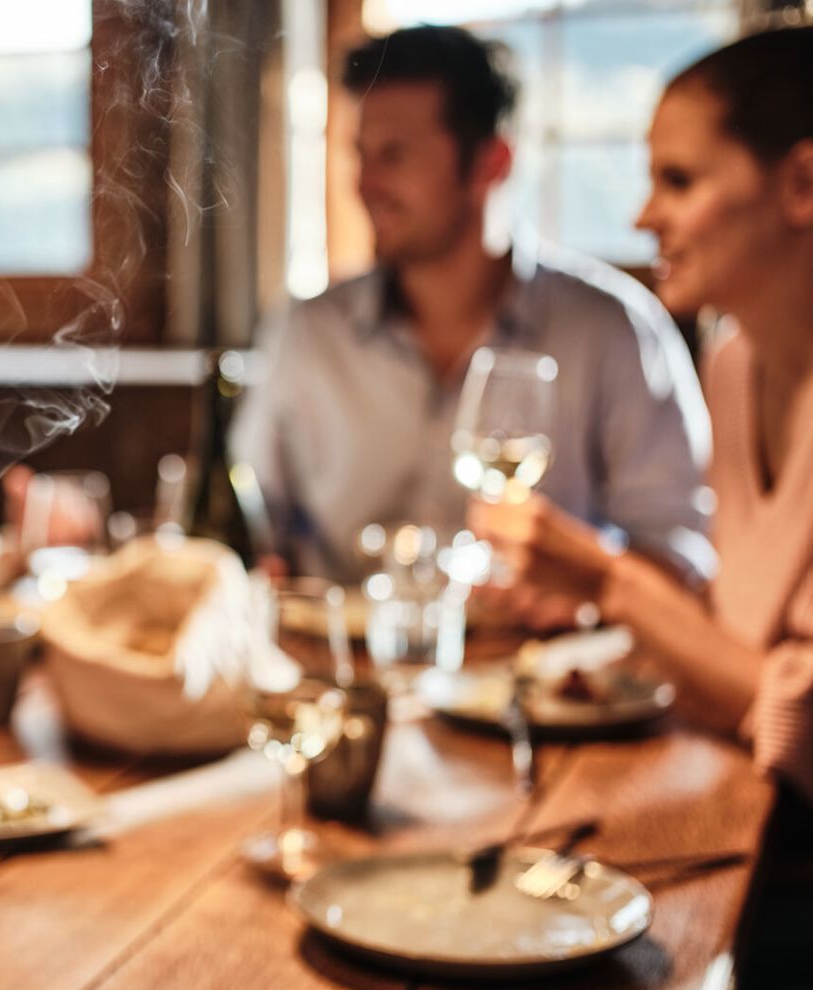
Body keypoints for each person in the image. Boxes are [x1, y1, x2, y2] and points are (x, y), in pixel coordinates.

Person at [230, 25, 712, 595]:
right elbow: (251, 520)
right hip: (339, 669)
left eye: (396, 156)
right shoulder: (307, 330)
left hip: (540, 672)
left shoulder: (613, 330)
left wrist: (584, 584)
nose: (366, 184)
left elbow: (683, 555)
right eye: (361, 155)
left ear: (491, 162)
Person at [473, 27, 813, 803]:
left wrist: (608, 577)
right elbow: (736, 637)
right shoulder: (734, 362)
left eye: (679, 180)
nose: (644, 217)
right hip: (740, 797)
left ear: (802, 185)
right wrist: (590, 596)